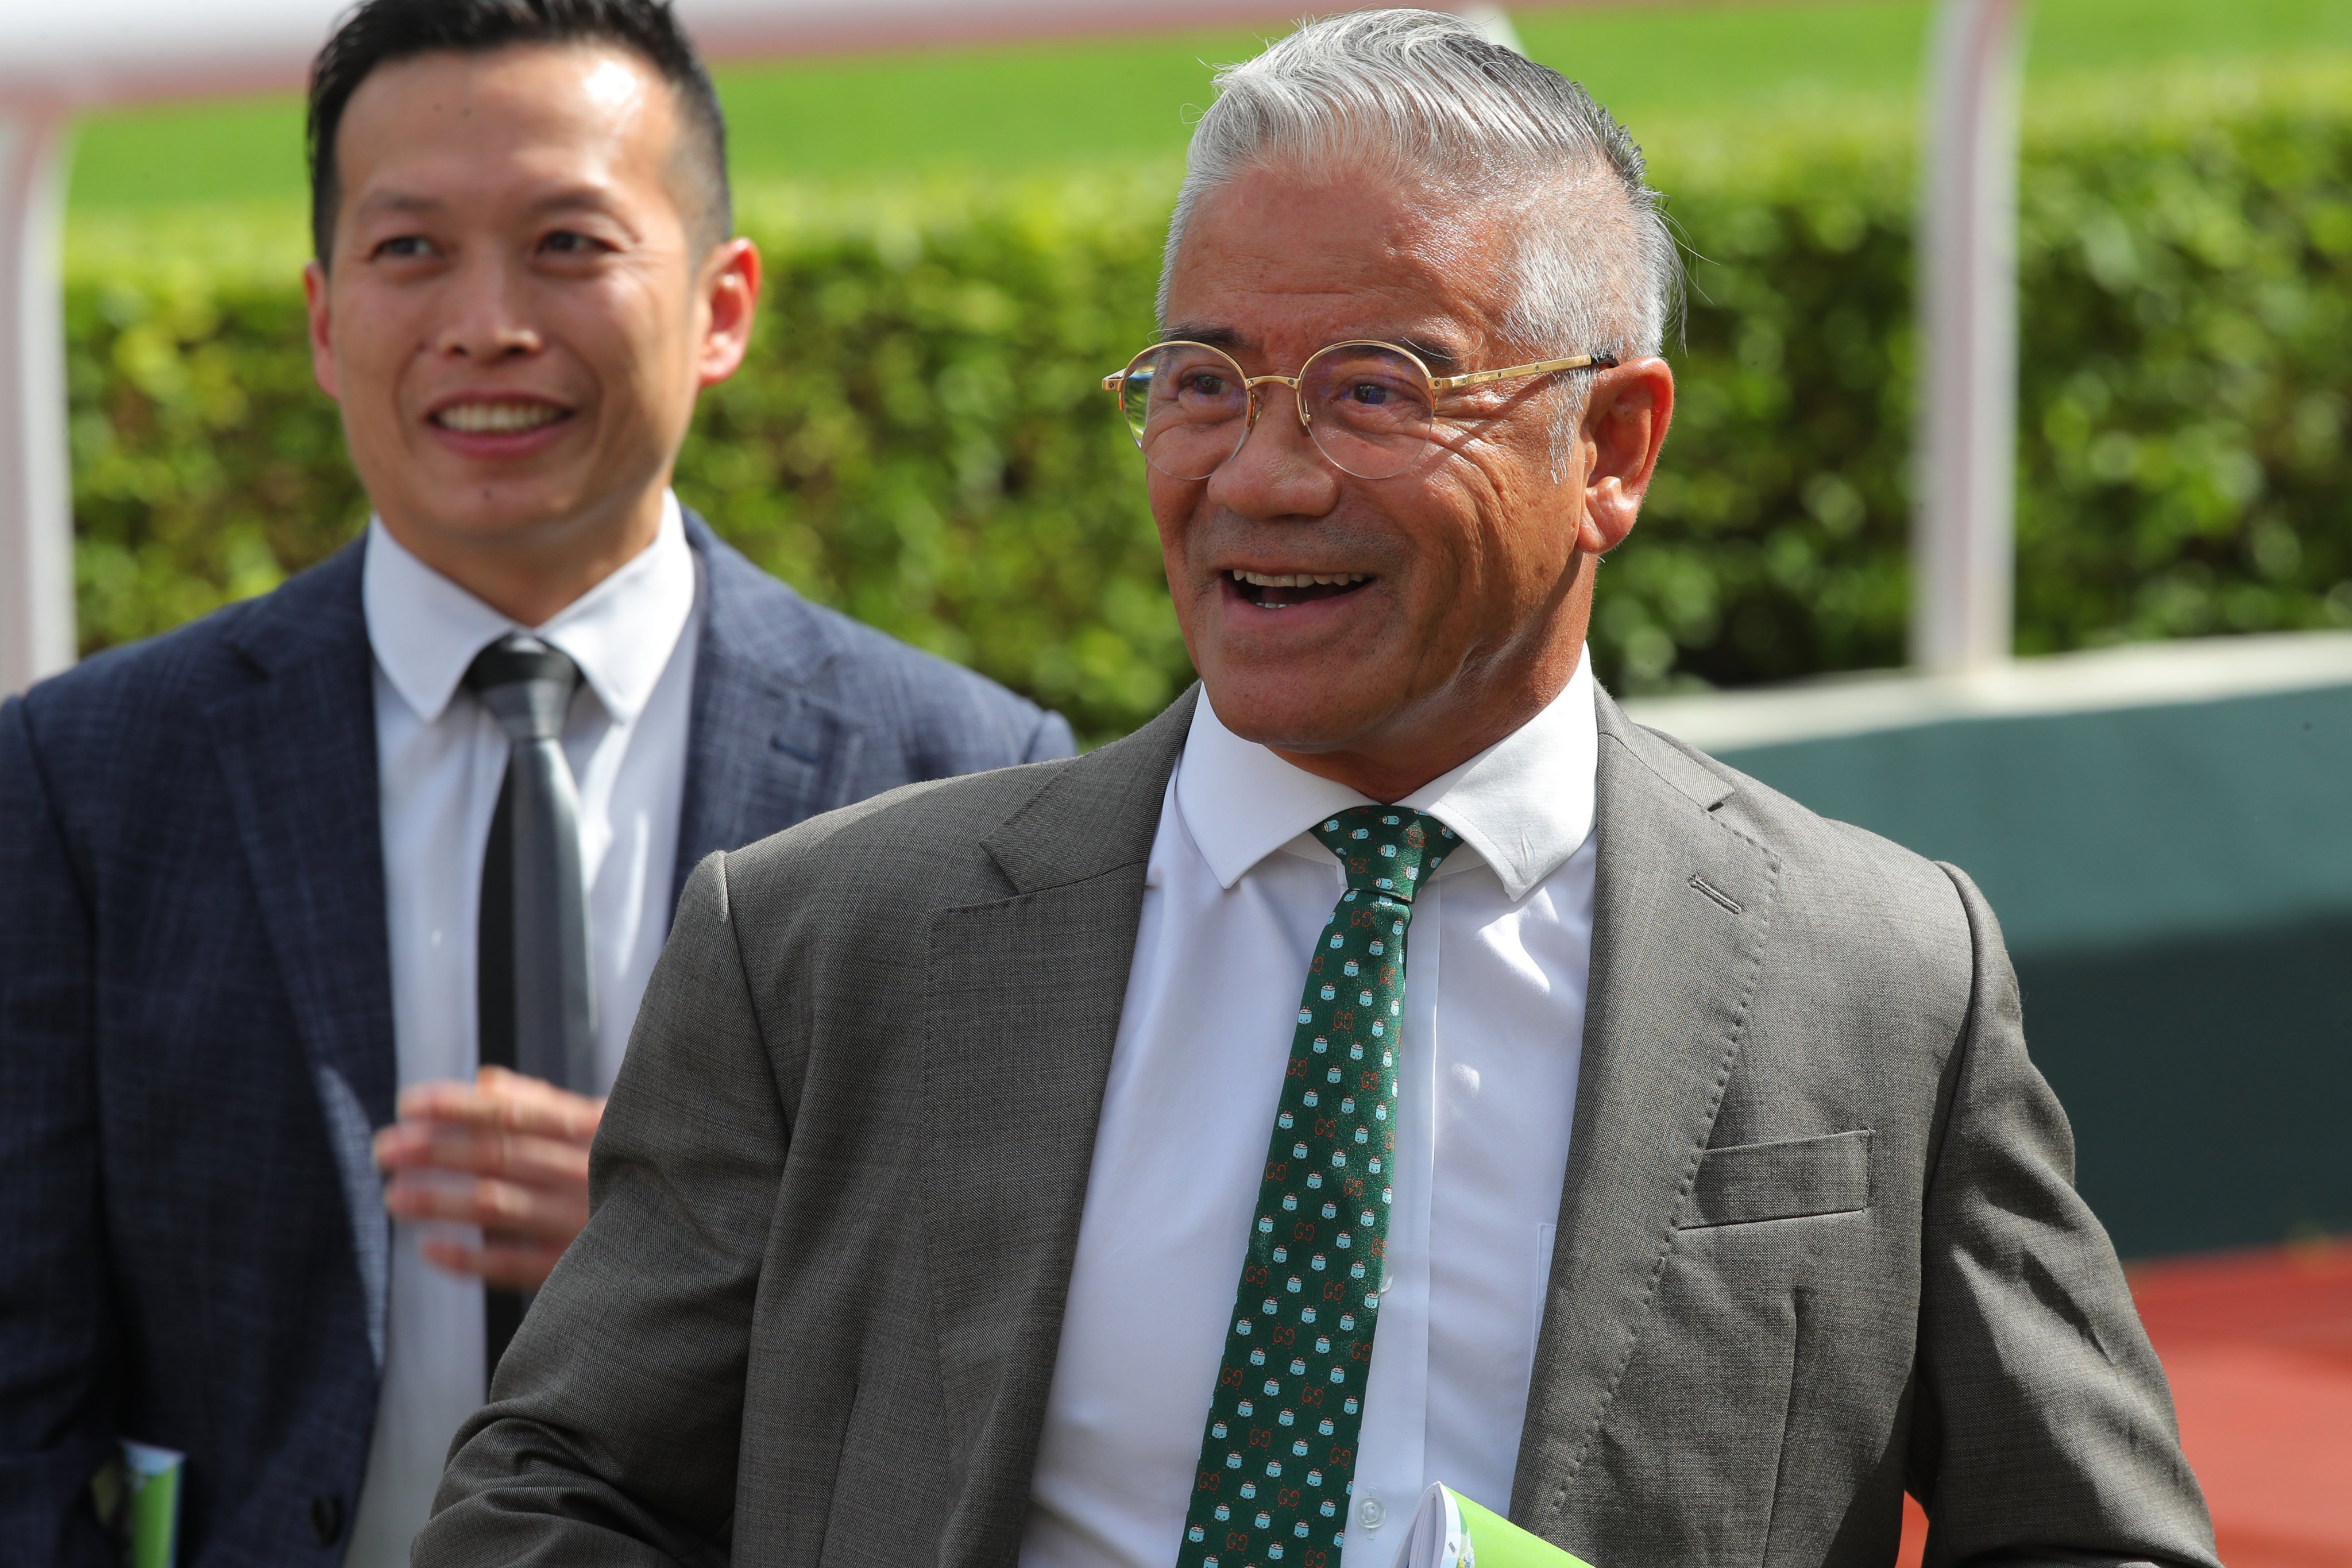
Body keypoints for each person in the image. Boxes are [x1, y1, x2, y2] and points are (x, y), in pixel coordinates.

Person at [415, 12, 2218, 1568]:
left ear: (1614, 445)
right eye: (1201, 381)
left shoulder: (1881, 975)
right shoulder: (827, 945)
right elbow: (557, 1486)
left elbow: (2095, 1530)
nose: (1262, 475)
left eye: (1379, 388)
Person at [0, 0, 1075, 1562]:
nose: (486, 320)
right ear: (319, 316)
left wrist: (702, 1251)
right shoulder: (88, 780)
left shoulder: (963, 780)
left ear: (722, 303)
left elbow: (1011, 1370)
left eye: (569, 243)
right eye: (410, 250)